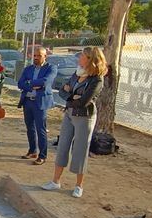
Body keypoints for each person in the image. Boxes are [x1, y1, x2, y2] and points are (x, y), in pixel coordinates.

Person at [42, 47, 106, 198]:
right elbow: (62, 91)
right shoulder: (77, 74)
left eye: (82, 56)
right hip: (69, 114)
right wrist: (72, 96)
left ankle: (79, 185)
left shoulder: (96, 79)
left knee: (80, 150)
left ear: (90, 59)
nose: (79, 58)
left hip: (85, 117)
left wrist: (71, 95)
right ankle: (55, 181)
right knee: (63, 145)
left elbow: (84, 101)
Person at [17, 48, 57, 165]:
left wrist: (29, 82)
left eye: (39, 55)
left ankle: (42, 155)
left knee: (41, 129)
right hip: (28, 101)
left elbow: (45, 82)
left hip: (40, 103)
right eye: (34, 55)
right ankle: (32, 150)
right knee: (30, 127)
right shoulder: (28, 69)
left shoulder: (51, 68)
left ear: (45, 56)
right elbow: (20, 83)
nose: (35, 57)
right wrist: (31, 86)